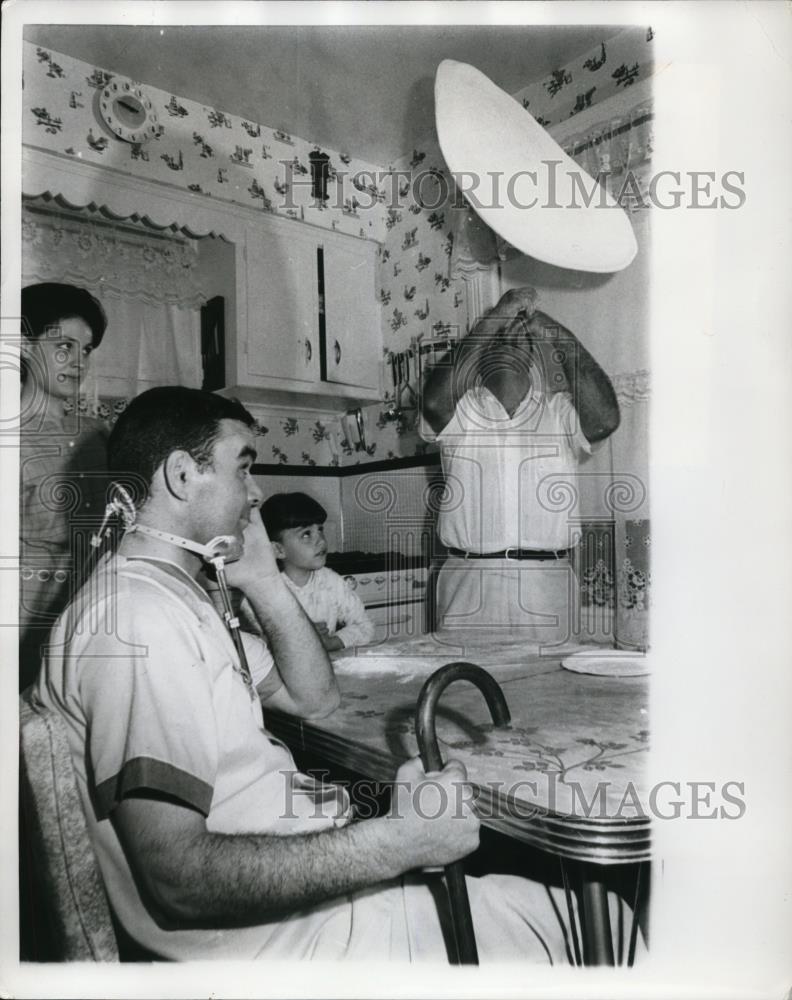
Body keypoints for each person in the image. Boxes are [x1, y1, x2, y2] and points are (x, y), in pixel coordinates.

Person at [32, 386, 578, 963]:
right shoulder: (144, 621)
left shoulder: (172, 598)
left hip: (302, 898)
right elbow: (178, 879)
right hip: (291, 941)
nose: (256, 492)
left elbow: (315, 700)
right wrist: (397, 842)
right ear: (181, 476)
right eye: (243, 468)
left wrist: (265, 581)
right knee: (596, 922)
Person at [421, 286, 620, 644]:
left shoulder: (559, 412)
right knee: (465, 697)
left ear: (534, 354)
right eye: (498, 334)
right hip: (470, 583)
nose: (509, 335)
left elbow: (605, 419)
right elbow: (434, 403)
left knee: (547, 695)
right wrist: (497, 314)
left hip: (549, 586)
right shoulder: (462, 411)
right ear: (480, 354)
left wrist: (553, 331)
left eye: (519, 334)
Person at [19, 282, 110, 691]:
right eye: (64, 346)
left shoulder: (98, 435)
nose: (78, 361)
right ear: (23, 344)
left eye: (86, 349)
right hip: (24, 629)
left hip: (92, 622)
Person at [262, 491, 375, 651]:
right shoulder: (265, 590)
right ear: (278, 549)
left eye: (320, 529)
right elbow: (254, 644)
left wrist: (331, 642)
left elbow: (364, 626)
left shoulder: (331, 582)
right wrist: (299, 636)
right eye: (306, 534)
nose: (320, 540)